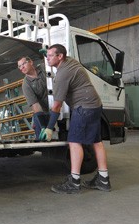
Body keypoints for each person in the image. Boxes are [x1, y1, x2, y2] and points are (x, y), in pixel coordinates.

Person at [45, 44, 111, 194]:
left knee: (74, 142)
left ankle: (74, 183)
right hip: (95, 105)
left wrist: (49, 127)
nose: (47, 58)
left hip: (84, 108)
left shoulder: (62, 75)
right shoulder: (71, 61)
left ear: (60, 56)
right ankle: (103, 179)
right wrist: (48, 53)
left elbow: (56, 106)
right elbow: (56, 56)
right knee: (96, 142)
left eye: (49, 56)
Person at [17, 56, 50, 140]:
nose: (21, 68)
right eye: (19, 66)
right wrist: (43, 126)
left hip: (59, 105)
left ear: (31, 62)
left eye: (23, 64)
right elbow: (35, 106)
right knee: (41, 133)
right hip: (44, 112)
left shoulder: (43, 67)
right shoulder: (26, 84)